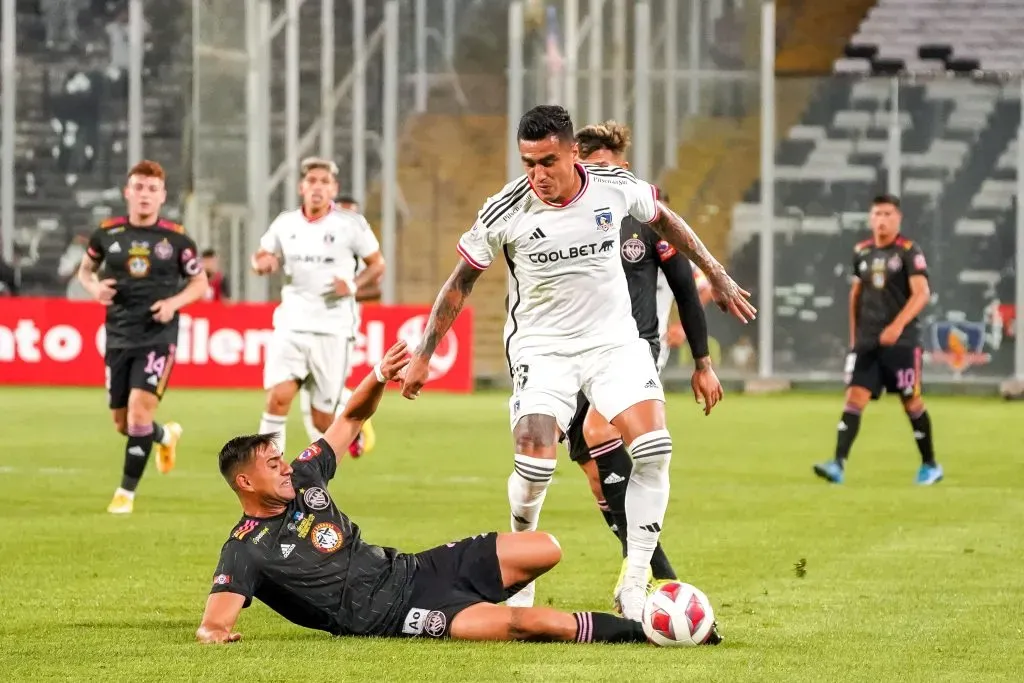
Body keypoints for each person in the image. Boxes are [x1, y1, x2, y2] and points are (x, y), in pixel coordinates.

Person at [400, 105, 755, 620]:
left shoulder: (615, 186)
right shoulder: (506, 209)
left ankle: (635, 584)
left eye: (547, 161)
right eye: (528, 163)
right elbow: (460, 283)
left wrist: (716, 274)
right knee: (534, 460)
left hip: (614, 342)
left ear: (572, 152)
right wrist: (424, 354)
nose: (538, 175)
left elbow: (667, 221)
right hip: (542, 349)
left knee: (654, 447)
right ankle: (520, 576)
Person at [196, 341, 721, 646]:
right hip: (395, 616)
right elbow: (215, 621)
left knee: (547, 548)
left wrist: (378, 374)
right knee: (524, 626)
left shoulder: (306, 479)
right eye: (272, 465)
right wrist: (215, 634)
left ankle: (495, 591)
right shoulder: (245, 549)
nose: (286, 467)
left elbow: (351, 418)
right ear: (245, 483)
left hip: (415, 569)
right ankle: (647, 631)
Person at [564, 121, 722, 602]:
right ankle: (648, 572)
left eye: (608, 167)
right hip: (572, 353)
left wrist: (703, 361)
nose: (600, 176)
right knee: (594, 471)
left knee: (600, 432)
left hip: (634, 347)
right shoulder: (560, 222)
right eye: (590, 167)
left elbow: (685, 289)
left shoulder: (650, 221)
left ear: (624, 169)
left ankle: (651, 582)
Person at [76, 160, 208, 513]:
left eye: (152, 189)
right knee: (123, 423)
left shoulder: (178, 239)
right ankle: (165, 436)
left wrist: (173, 304)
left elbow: (200, 283)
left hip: (158, 336)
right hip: (118, 335)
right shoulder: (107, 234)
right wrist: (93, 288)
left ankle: (125, 494)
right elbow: (85, 270)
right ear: (127, 192)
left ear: (162, 195)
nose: (145, 195)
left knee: (138, 412)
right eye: (139, 188)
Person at [250, 158, 386, 456]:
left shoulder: (350, 225)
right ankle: (269, 473)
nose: (317, 187)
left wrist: (351, 285)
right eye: (312, 181)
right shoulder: (285, 224)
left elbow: (377, 265)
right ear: (302, 187)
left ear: (334, 189)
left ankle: (352, 425)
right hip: (291, 324)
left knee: (322, 419)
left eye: (324, 182)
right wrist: (263, 264)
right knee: (278, 398)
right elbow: (260, 255)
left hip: (333, 329)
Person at [813, 194, 942, 485]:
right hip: (868, 341)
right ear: (870, 219)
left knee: (910, 400)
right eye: (877, 214)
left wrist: (897, 325)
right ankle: (838, 464)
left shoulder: (909, 251)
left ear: (898, 219)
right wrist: (854, 338)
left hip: (902, 341)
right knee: (854, 397)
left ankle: (930, 464)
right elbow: (855, 295)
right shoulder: (862, 252)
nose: (882, 220)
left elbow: (922, 293)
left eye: (887, 214)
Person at [297, 194, 383, 458]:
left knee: (323, 390)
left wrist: (347, 291)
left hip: (341, 328)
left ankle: (353, 422)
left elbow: (376, 291)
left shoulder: (357, 256)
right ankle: (326, 448)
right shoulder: (324, 250)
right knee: (311, 388)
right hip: (314, 325)